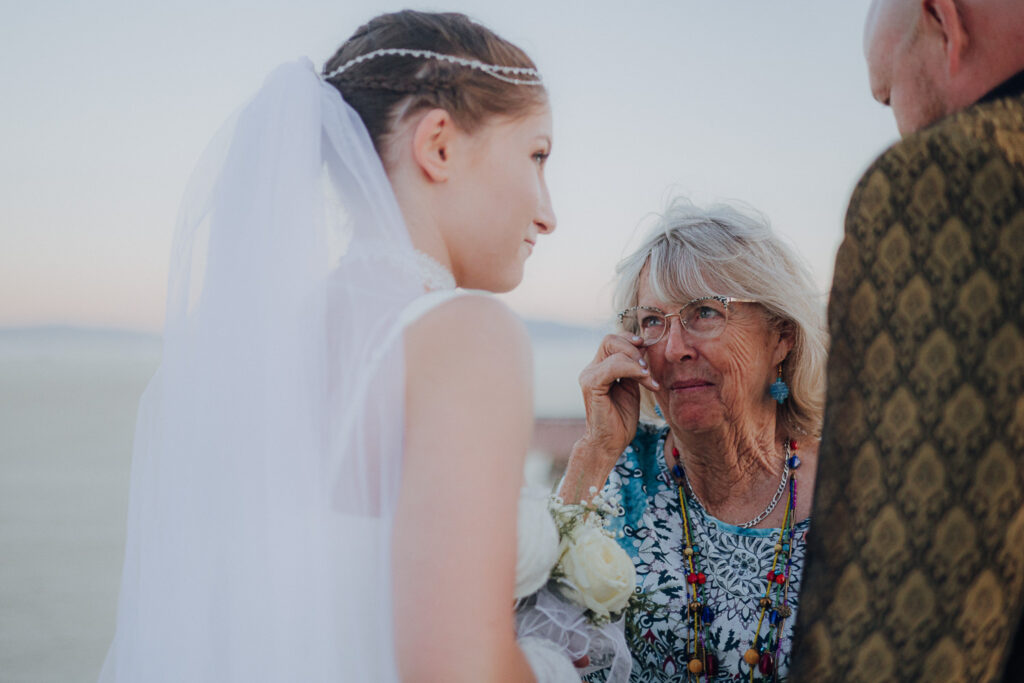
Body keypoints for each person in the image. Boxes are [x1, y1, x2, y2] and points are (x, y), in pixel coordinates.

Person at [98, 11, 565, 682]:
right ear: (438, 146)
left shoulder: (260, 351)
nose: (548, 213)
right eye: (537, 156)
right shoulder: (466, 336)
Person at [791, 1, 1024, 681]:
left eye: (887, 94)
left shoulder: (953, 174)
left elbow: (903, 603)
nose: (895, 126)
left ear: (944, 21)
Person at [560, 199, 828, 681]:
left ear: (781, 337)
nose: (673, 348)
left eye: (704, 312)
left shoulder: (849, 491)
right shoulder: (616, 476)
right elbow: (535, 640)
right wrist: (595, 450)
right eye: (652, 321)